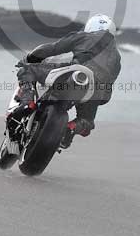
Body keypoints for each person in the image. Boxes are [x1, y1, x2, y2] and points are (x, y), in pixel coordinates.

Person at [9, 13, 121, 148]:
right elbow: (107, 91)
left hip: (75, 76)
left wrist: (30, 58)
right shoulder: (117, 57)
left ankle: (27, 103)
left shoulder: (84, 36)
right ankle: (72, 127)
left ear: (91, 26)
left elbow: (53, 48)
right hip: (95, 91)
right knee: (87, 122)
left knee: (27, 70)